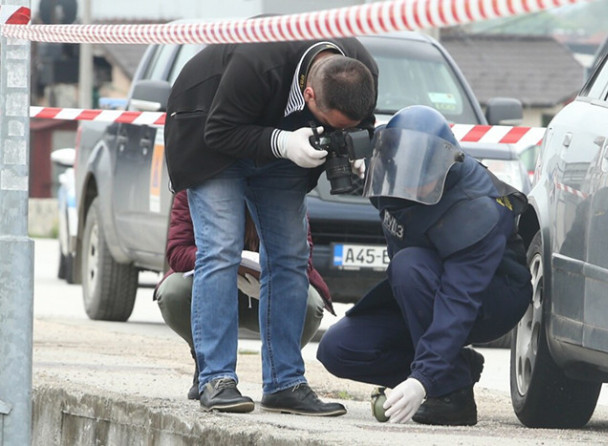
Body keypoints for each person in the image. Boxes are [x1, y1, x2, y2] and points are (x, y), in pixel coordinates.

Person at [164, 37, 378, 415]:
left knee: (291, 257)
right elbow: (220, 131)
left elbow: (366, 124)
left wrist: (354, 148)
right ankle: (216, 378)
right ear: (309, 95)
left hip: (283, 146)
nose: (330, 130)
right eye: (328, 124)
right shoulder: (259, 60)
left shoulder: (361, 70)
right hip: (212, 137)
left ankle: (285, 382)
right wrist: (281, 142)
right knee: (221, 250)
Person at [316, 105, 532, 426]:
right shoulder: (394, 181)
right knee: (339, 349)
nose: (411, 186)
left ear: (442, 166)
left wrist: (424, 380)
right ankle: (456, 368)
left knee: (409, 265)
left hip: (490, 298)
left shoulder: (477, 209)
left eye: (421, 177)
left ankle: (452, 397)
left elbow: (458, 303)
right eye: (405, 173)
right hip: (420, 290)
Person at [153, 190, 336, 401]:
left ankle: (280, 372)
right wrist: (221, 260)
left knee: (310, 303)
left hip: (265, 291)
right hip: (210, 288)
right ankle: (208, 365)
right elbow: (177, 250)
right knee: (172, 292)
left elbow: (303, 256)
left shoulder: (281, 185)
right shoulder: (198, 181)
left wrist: (271, 280)